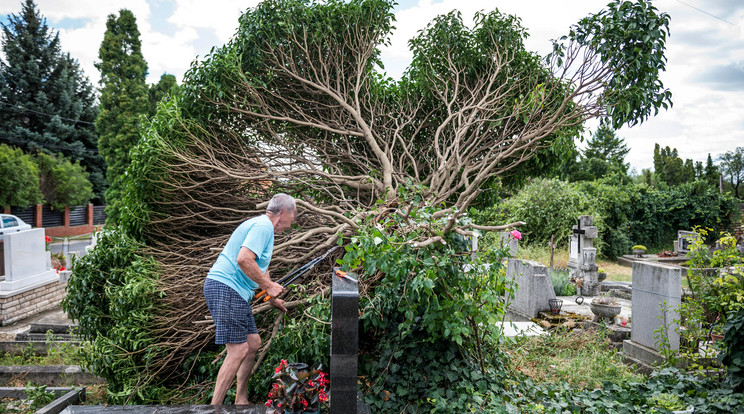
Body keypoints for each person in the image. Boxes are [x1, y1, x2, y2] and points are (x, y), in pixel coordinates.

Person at [203, 193, 296, 405]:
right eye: (292, 218)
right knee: (238, 350)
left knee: (253, 343)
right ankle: (213, 409)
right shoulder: (263, 226)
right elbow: (243, 259)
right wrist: (269, 286)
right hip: (225, 287)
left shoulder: (264, 229)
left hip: (233, 291)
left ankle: (240, 399)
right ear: (283, 213)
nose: (291, 224)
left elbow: (260, 267)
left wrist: (271, 298)